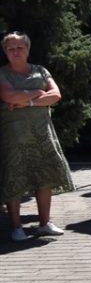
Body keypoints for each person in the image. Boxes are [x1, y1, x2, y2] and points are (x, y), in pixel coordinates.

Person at [0, 32, 74, 241]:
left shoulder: (41, 70)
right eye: (11, 48)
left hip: (43, 132)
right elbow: (8, 96)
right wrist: (38, 94)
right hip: (14, 135)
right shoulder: (2, 74)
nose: (16, 51)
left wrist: (27, 101)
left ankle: (45, 223)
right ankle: (16, 227)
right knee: (14, 177)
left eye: (20, 47)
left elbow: (56, 95)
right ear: (5, 51)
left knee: (45, 176)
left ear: (28, 49)